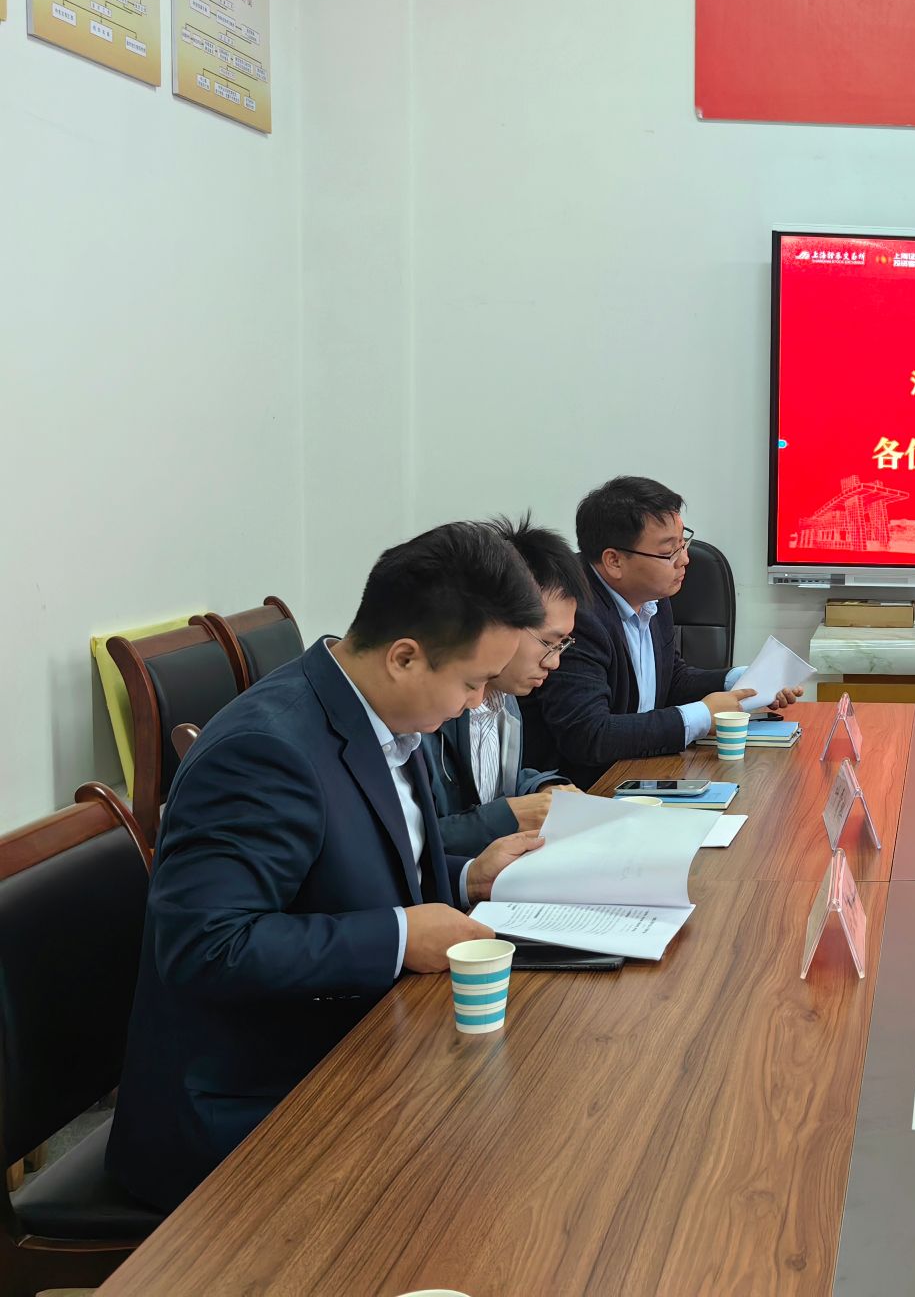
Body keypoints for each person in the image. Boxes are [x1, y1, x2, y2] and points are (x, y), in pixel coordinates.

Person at [108, 523, 550, 1210]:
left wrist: (466, 877)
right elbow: (206, 946)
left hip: (358, 1043)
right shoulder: (265, 751)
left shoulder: (382, 716)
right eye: (472, 683)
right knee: (497, 1183)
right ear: (404, 657)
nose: (476, 704)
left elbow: (350, 865)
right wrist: (400, 935)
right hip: (248, 1104)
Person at [525, 476, 801, 786]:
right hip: (588, 790)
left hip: (642, 771)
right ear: (614, 561)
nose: (685, 559)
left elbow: (671, 680)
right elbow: (590, 735)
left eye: (683, 543)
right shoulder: (576, 615)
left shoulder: (651, 597)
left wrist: (743, 681)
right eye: (669, 551)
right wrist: (702, 716)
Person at [427, 513, 585, 855]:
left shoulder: (507, 697)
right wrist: (508, 817)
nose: (554, 661)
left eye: (563, 645)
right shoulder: (428, 711)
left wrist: (544, 788)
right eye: (548, 642)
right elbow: (409, 840)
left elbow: (498, 786)